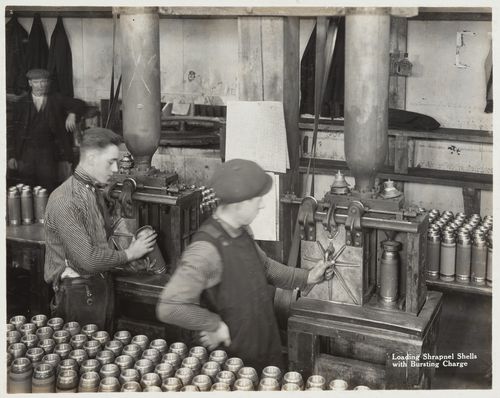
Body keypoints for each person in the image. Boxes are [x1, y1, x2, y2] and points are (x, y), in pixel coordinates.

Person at [156, 159, 333, 372]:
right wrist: (213, 323)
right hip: (235, 366)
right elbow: (170, 306)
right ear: (238, 204)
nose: (262, 204)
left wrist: (307, 277)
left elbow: (265, 267)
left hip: (265, 348)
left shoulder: (242, 231)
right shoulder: (206, 249)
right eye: (257, 199)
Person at [44, 127, 157, 330]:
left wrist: (126, 250)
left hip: (100, 287)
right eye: (111, 162)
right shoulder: (65, 200)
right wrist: (130, 253)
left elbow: (102, 240)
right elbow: (88, 260)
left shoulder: (91, 191)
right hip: (78, 296)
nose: (115, 170)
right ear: (92, 158)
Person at [7, 68, 86, 192]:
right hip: (25, 154)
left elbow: (80, 104)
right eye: (37, 82)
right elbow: (12, 132)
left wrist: (72, 113)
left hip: (48, 153)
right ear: (30, 83)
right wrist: (11, 156)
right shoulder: (21, 103)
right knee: (27, 189)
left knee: (48, 188)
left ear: (48, 83)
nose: (40, 86)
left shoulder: (56, 99)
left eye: (44, 82)